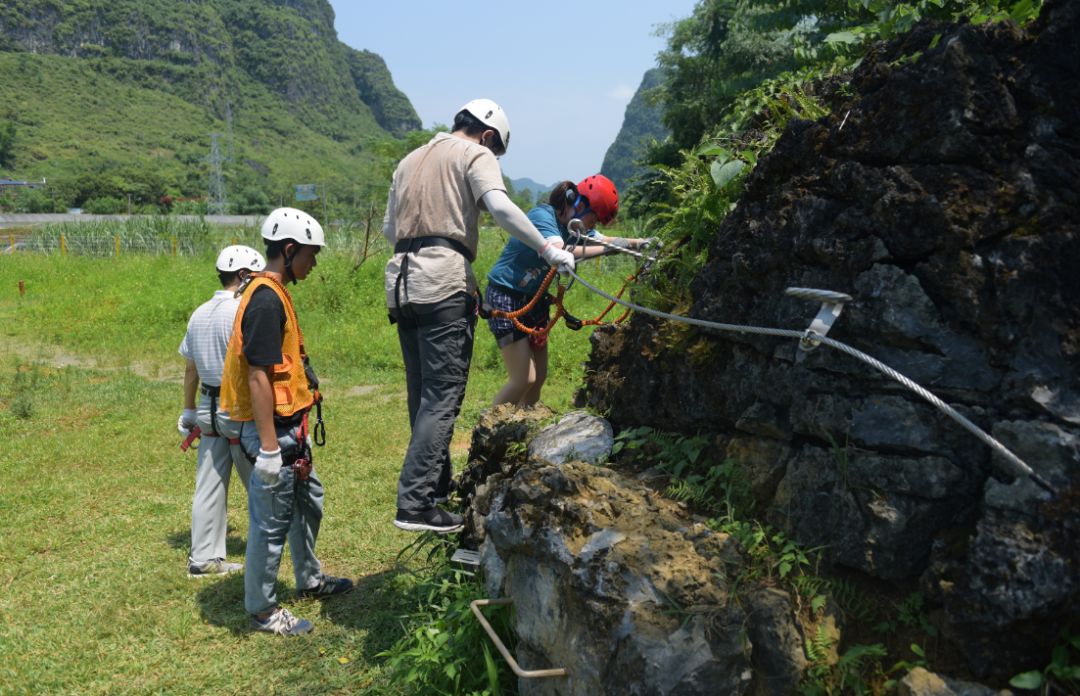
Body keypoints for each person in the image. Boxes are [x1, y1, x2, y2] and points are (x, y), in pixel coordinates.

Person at [383, 98, 576, 534]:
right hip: (440, 280)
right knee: (443, 394)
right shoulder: (475, 153)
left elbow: (389, 230)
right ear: (488, 136)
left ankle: (435, 482)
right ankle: (415, 503)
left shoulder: (409, 159)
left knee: (422, 391)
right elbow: (501, 206)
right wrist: (548, 248)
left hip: (400, 281)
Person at [219, 207, 353, 637]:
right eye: (310, 255)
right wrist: (270, 450)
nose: (313, 263)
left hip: (289, 428)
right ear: (289, 249)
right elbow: (257, 375)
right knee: (270, 520)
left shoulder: (274, 292)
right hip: (271, 433)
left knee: (308, 500)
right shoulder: (262, 300)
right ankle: (262, 608)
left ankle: (310, 578)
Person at [485, 174, 653, 407]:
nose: (592, 227)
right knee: (524, 378)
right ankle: (486, 435)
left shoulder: (574, 227)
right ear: (579, 204)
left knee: (539, 377)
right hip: (505, 297)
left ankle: (521, 428)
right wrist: (612, 249)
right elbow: (561, 251)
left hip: (535, 300)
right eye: (593, 219)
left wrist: (639, 243)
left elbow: (603, 240)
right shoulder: (543, 216)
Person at [178, 245, 266, 577]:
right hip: (238, 408)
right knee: (260, 479)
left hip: (207, 408)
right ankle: (270, 544)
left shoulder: (199, 312)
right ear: (244, 276)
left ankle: (202, 557)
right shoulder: (243, 311)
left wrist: (188, 412)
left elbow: (190, 370)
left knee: (209, 483)